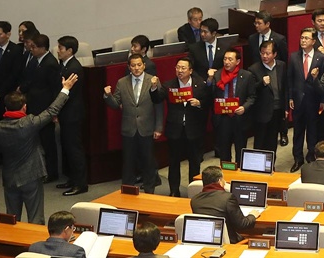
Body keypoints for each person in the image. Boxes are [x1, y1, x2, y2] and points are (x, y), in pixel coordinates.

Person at [0, 71, 77, 224]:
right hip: (31, 176)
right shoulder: (28, 123)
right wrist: (65, 89)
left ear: (6, 108)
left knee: (11, 219)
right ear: (24, 107)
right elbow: (52, 111)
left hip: (9, 177)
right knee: (35, 218)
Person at [103, 54, 164, 193]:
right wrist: (108, 96)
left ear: (144, 65)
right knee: (128, 163)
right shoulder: (122, 82)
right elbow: (115, 104)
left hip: (147, 128)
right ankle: (128, 192)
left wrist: (158, 127)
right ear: (129, 67)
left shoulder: (153, 81)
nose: (136, 68)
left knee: (148, 162)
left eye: (139, 65)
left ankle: (149, 191)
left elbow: (159, 106)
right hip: (129, 129)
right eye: (133, 66)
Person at [151, 57, 210, 196]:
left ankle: (193, 191)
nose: (180, 71)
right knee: (173, 162)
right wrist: (154, 88)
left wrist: (199, 103)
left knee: (194, 162)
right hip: (175, 130)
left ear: (190, 70)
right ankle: (174, 191)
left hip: (194, 129)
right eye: (177, 68)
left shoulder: (200, 84)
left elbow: (208, 102)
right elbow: (157, 98)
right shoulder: (169, 85)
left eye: (183, 68)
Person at [18, 32, 61, 182]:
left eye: (34, 47)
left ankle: (52, 172)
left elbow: (54, 88)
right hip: (34, 106)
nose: (31, 50)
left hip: (45, 108)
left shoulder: (50, 63)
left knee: (48, 142)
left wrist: (54, 111)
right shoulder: (34, 61)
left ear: (43, 48)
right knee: (37, 141)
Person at [288, 27, 324, 171]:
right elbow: (290, 79)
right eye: (302, 38)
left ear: (314, 41)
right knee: (298, 131)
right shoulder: (293, 57)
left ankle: (311, 157)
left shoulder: (321, 58)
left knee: (313, 132)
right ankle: (298, 159)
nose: (303, 40)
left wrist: (323, 100)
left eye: (306, 38)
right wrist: (290, 97)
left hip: (314, 100)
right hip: (298, 100)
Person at [54, 35, 87, 195]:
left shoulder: (74, 67)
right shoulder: (64, 65)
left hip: (72, 115)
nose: (58, 51)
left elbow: (67, 93)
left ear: (69, 50)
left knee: (74, 149)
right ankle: (73, 179)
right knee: (67, 148)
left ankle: (80, 184)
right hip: (66, 114)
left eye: (60, 48)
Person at [212, 50, 257, 162]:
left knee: (240, 151)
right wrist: (209, 80)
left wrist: (244, 107)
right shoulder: (217, 75)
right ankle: (226, 175)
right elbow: (211, 94)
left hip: (239, 118)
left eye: (230, 59)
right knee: (224, 151)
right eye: (225, 59)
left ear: (237, 61)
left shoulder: (247, 76)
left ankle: (239, 174)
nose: (226, 62)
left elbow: (252, 97)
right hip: (223, 119)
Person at [191, 165, 255, 243]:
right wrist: (252, 215)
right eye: (223, 179)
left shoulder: (194, 200)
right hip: (228, 242)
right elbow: (242, 224)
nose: (224, 182)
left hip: (205, 240)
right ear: (219, 181)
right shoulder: (228, 198)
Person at [249, 40, 286, 156]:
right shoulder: (253, 69)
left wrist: (285, 107)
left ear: (274, 54)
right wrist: (261, 83)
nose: (264, 56)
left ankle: (270, 166)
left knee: (272, 140)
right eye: (262, 53)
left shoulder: (281, 65)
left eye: (268, 53)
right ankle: (258, 167)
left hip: (277, 109)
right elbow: (250, 90)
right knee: (260, 141)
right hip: (262, 111)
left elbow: (285, 86)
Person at [0, 21, 24, 122]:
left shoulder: (16, 50)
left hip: (7, 94)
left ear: (8, 34)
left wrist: (0, 92)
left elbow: (14, 74)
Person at [189, 18, 226, 82]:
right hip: (201, 83)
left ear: (214, 33)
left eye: (205, 32)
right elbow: (192, 69)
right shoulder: (194, 48)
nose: (202, 34)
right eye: (201, 31)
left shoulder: (225, 47)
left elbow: (227, 67)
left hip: (220, 82)